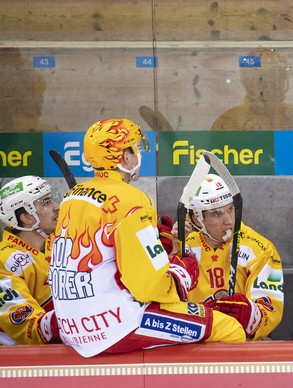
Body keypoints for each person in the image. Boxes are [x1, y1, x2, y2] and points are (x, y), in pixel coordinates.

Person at [49, 118, 245, 358]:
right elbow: (149, 286)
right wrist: (180, 273)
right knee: (229, 328)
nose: (139, 156)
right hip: (115, 326)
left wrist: (156, 249)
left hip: (72, 327)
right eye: (136, 149)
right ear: (124, 157)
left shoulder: (71, 198)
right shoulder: (131, 200)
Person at [159, 174, 284, 340]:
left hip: (242, 342)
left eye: (230, 209)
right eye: (217, 214)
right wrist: (175, 252)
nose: (229, 221)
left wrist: (248, 313)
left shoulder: (260, 249)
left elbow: (271, 310)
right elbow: (165, 303)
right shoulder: (185, 245)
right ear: (197, 218)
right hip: (194, 341)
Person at [0, 176, 60, 344]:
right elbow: (28, 327)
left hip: (67, 348)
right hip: (22, 363)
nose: (57, 207)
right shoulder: (4, 262)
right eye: (47, 202)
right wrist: (75, 317)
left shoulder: (58, 239)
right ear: (27, 218)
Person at [211, 48, 293, 131]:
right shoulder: (229, 121)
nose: (276, 84)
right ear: (249, 82)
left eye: (280, 77)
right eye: (265, 79)